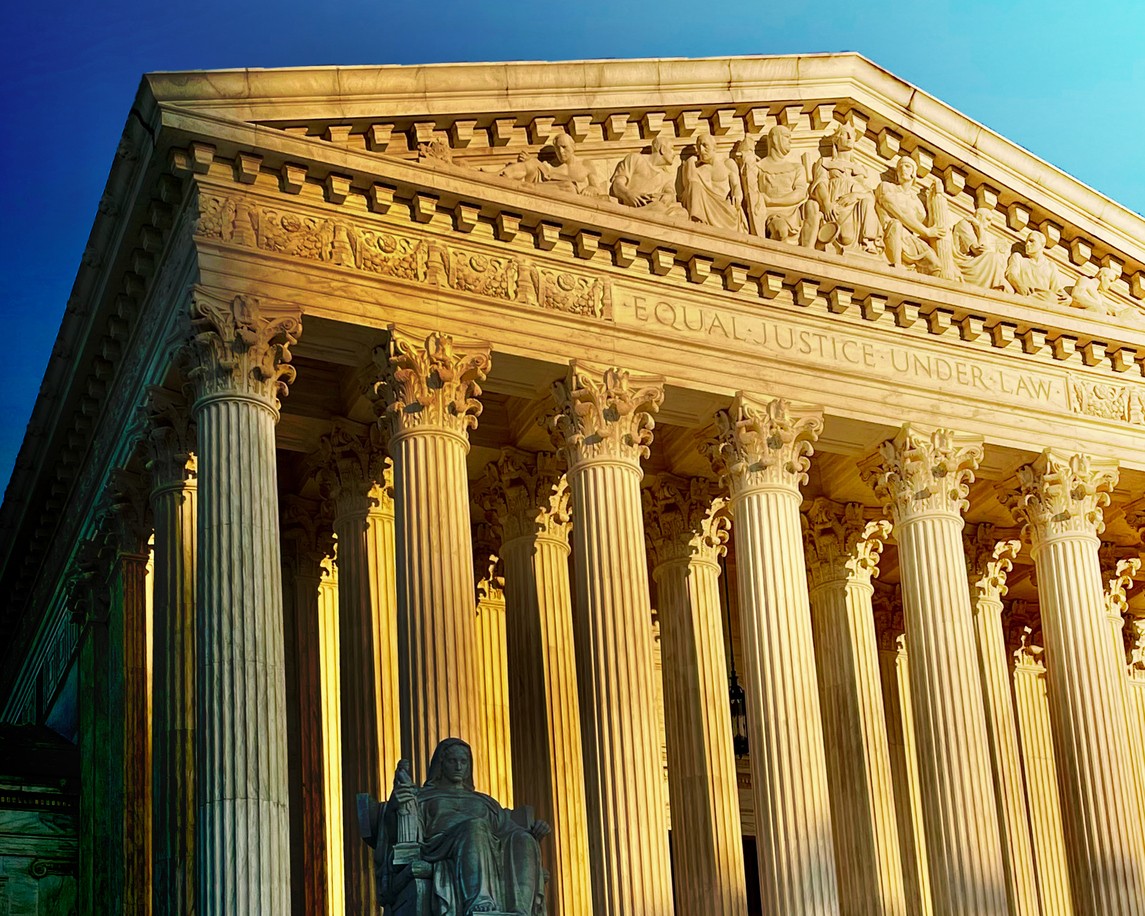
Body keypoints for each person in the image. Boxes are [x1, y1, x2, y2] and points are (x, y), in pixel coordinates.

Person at [386, 738, 549, 916]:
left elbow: (507, 829)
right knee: (475, 827)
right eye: (452, 761)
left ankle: (520, 911)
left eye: (463, 762)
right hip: (441, 846)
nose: (458, 767)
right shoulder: (424, 797)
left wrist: (534, 833)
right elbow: (396, 832)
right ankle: (479, 900)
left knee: (523, 839)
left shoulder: (484, 801)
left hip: (485, 844)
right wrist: (396, 805)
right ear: (441, 764)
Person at [875, 156, 956, 279]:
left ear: (913, 173)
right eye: (899, 167)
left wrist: (931, 203)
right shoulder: (886, 187)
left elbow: (928, 226)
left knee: (936, 265)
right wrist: (927, 232)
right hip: (890, 234)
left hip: (909, 240)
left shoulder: (916, 202)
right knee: (896, 224)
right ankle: (896, 268)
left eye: (907, 166)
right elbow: (900, 213)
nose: (903, 169)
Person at [803, 123, 880, 252]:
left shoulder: (862, 169)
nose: (850, 137)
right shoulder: (825, 162)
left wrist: (855, 195)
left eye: (853, 135)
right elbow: (820, 184)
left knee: (867, 202)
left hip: (856, 208)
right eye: (845, 134)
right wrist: (826, 203)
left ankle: (869, 243)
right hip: (835, 206)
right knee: (845, 237)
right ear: (836, 140)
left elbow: (869, 195)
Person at [753, 125, 809, 242]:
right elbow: (751, 191)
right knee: (781, 230)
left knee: (813, 207)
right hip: (772, 213)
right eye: (786, 137)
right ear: (775, 139)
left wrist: (772, 201)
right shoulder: (758, 167)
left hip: (793, 211)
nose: (790, 141)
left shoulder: (797, 167)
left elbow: (801, 193)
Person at [499, 132, 600, 196]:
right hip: (547, 187)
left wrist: (591, 189)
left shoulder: (586, 164)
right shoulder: (551, 165)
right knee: (531, 164)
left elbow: (596, 187)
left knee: (569, 187)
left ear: (573, 147)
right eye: (557, 149)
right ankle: (499, 176)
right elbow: (542, 170)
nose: (561, 152)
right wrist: (531, 160)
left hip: (572, 200)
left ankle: (529, 186)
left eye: (564, 147)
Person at [610, 135, 686, 218]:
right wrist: (628, 194)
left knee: (683, 213)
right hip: (634, 207)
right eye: (672, 149)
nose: (674, 153)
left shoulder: (666, 176)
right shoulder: (635, 159)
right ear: (662, 149)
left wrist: (668, 196)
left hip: (656, 207)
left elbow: (670, 191)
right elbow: (617, 183)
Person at [679, 134, 743, 231]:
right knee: (694, 185)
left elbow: (736, 184)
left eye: (705, 145)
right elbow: (688, 186)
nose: (701, 149)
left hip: (725, 210)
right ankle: (697, 221)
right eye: (698, 146)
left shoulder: (727, 163)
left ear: (714, 147)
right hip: (703, 210)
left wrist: (737, 195)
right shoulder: (696, 168)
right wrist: (690, 163)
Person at [1006, 231, 1070, 304]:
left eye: (1031, 241)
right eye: (1026, 242)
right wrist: (1019, 285)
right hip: (1025, 293)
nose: (1027, 244)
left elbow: (1057, 288)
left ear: (1042, 244)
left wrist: (1067, 297)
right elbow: (1011, 274)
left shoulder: (1050, 266)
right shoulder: (1019, 258)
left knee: (1052, 297)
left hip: (1045, 296)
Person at [951, 207, 1008, 290]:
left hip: (973, 263)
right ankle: (995, 287)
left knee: (1007, 287)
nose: (990, 224)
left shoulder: (977, 229)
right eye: (988, 219)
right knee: (992, 257)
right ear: (978, 217)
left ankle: (997, 287)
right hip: (962, 264)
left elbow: (982, 247)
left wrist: (979, 228)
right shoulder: (964, 224)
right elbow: (977, 250)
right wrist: (980, 227)